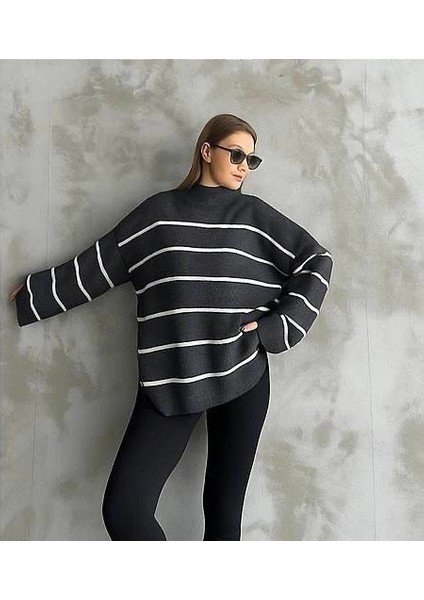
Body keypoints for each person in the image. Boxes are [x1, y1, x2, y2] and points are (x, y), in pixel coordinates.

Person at [9, 113, 334, 540]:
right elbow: (102, 262)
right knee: (125, 509)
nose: (244, 167)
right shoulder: (158, 215)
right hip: (171, 376)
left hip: (244, 372)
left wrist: (273, 329)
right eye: (236, 154)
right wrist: (36, 292)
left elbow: (317, 261)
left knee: (223, 521)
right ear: (207, 151)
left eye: (251, 160)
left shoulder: (254, 216)